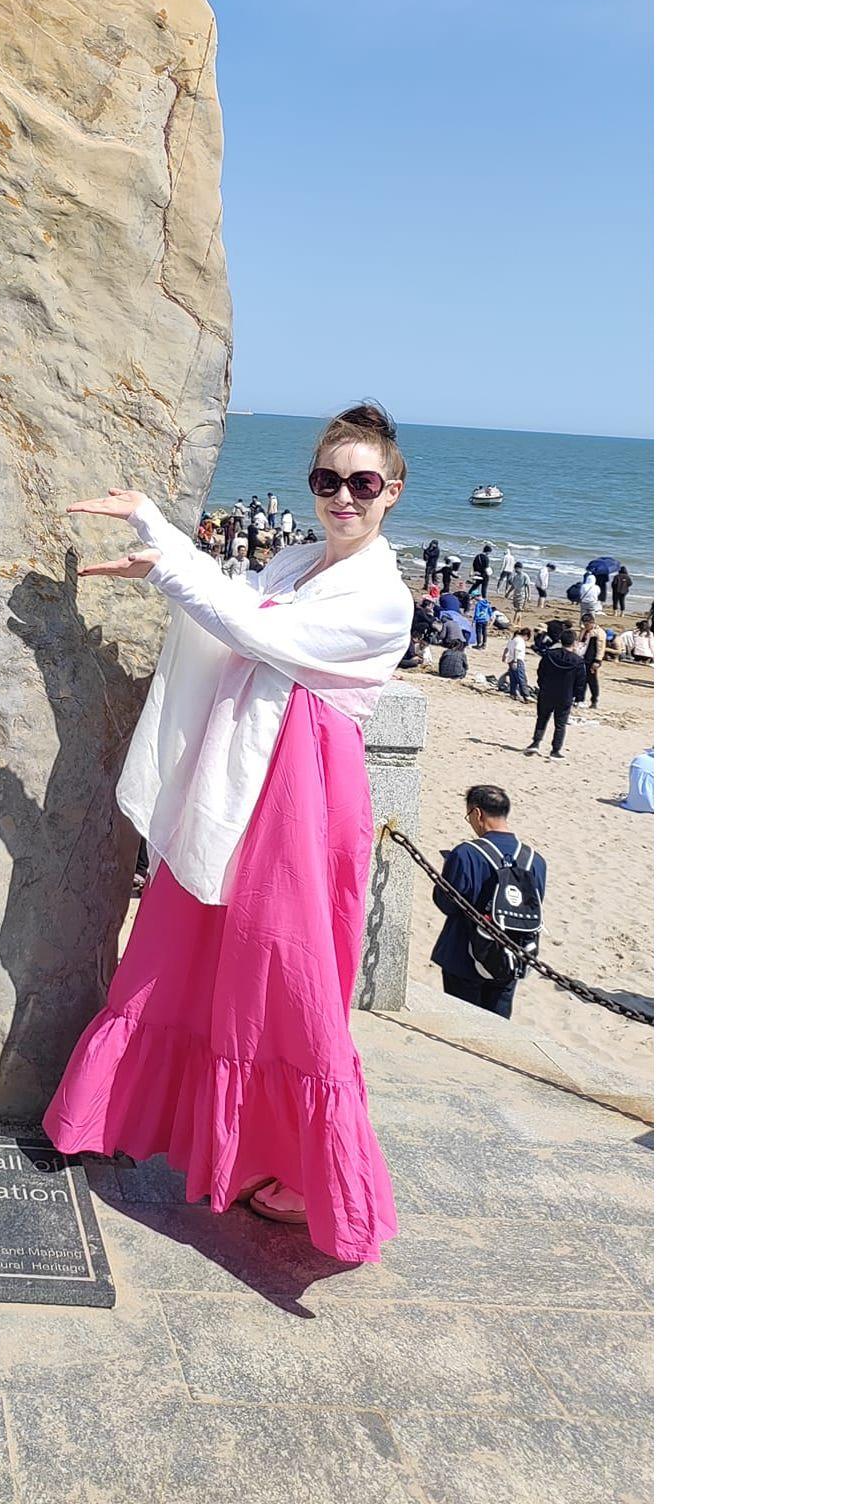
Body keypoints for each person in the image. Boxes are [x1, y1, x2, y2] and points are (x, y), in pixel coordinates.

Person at [44, 402, 413, 1264]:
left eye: (362, 483)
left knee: (283, 972)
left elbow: (251, 628)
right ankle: (209, 1141)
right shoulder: (298, 558)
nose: (343, 497)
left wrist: (163, 545)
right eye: (329, 481)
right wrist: (162, 553)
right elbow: (239, 602)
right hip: (243, 777)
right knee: (193, 945)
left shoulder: (381, 598)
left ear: (392, 491)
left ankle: (294, 1164)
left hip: (303, 794)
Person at [428, 786, 547, 1019]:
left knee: (461, 1022)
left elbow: (447, 904)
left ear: (477, 814)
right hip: (511, 956)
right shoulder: (535, 860)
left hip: (463, 955)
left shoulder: (466, 854)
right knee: (498, 1024)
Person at [525, 620, 585, 759]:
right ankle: (555, 750)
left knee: (542, 718)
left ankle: (535, 743)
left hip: (547, 691)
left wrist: (542, 685)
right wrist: (578, 697)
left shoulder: (550, 654)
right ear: (574, 643)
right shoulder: (577, 661)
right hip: (565, 695)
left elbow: (541, 672)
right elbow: (580, 682)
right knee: (560, 723)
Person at [581, 617, 607, 707]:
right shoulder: (584, 630)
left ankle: (594, 700)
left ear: (592, 623)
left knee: (592, 680)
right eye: (584, 624)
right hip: (583, 657)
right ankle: (580, 698)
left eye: (587, 624)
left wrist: (598, 660)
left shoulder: (599, 633)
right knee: (581, 679)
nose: (585, 626)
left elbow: (601, 648)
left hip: (592, 659)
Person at [502, 627, 532, 701]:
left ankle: (513, 693)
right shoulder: (520, 641)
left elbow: (506, 649)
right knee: (521, 678)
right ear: (526, 635)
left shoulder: (513, 639)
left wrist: (504, 656)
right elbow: (516, 650)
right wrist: (515, 661)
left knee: (513, 678)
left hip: (510, 660)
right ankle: (526, 695)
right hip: (517, 660)